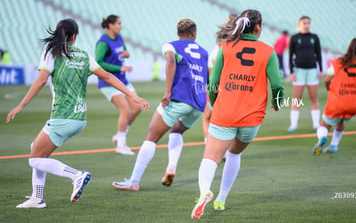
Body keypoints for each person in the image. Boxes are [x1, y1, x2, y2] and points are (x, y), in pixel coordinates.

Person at [5, 19, 149, 209]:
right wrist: (132, 95)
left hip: (62, 117)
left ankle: (76, 175)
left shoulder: (52, 53)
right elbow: (107, 76)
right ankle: (37, 197)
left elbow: (41, 81)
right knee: (38, 150)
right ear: (74, 36)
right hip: (79, 118)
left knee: (34, 159)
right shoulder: (83, 55)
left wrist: (21, 105)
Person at [191, 9, 284, 219]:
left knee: (210, 158)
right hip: (252, 119)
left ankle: (205, 191)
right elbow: (277, 85)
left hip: (225, 114)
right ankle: (221, 198)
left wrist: (216, 105)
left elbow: (213, 83)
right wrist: (277, 103)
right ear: (258, 27)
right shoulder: (268, 52)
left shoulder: (225, 47)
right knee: (234, 153)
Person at [112, 18, 208, 191]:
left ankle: (134, 181)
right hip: (198, 103)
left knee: (151, 137)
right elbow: (207, 74)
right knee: (177, 130)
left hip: (180, 99)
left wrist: (168, 91)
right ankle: (171, 167)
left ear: (178, 33)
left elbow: (170, 60)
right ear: (194, 33)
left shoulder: (171, 46)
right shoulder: (203, 51)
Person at [96, 14, 142, 155]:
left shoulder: (119, 38)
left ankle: (119, 135)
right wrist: (119, 68)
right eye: (118, 24)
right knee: (125, 109)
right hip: (109, 82)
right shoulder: (103, 42)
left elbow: (123, 52)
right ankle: (121, 144)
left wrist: (126, 54)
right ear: (110, 25)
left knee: (137, 107)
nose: (121, 26)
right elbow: (99, 62)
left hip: (122, 80)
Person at [202, 13, 237, 143]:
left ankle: (209, 145)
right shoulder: (240, 46)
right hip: (236, 90)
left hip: (220, 89)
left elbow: (212, 76)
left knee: (207, 117)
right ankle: (229, 151)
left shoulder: (220, 48)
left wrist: (212, 90)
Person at [288, 16, 322, 132]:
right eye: (304, 23)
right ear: (299, 24)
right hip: (299, 71)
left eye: (308, 23)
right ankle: (293, 125)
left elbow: (319, 54)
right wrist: (291, 72)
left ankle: (316, 125)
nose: (306, 25)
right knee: (297, 98)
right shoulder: (294, 38)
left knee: (314, 98)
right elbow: (290, 56)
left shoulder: (314, 37)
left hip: (312, 70)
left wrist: (320, 69)